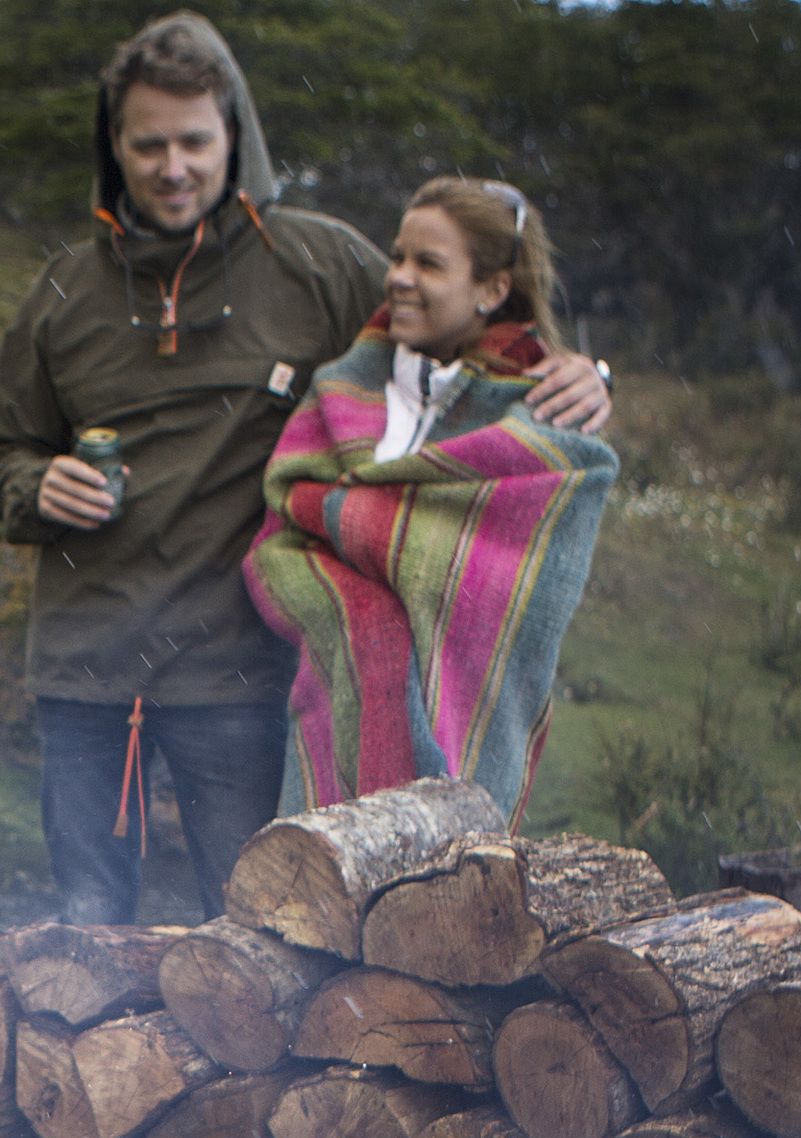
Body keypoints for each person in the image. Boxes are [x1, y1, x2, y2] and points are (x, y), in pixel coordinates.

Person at [0, 13, 612, 925]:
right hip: (85, 672)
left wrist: (586, 369)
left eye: (195, 141)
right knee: (87, 929)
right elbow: (3, 455)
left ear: (234, 136)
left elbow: (466, 323)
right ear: (113, 147)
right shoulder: (63, 294)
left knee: (258, 932)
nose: (172, 167)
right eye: (146, 144)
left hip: (235, 675)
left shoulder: (319, 264)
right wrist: (34, 488)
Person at [247, 178, 621, 822]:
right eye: (398, 257)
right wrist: (370, 613)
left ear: (493, 289)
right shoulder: (341, 387)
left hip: (453, 729)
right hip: (290, 709)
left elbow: (512, 591)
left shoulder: (538, 414)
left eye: (429, 264)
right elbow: (282, 529)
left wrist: (376, 538)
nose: (399, 278)